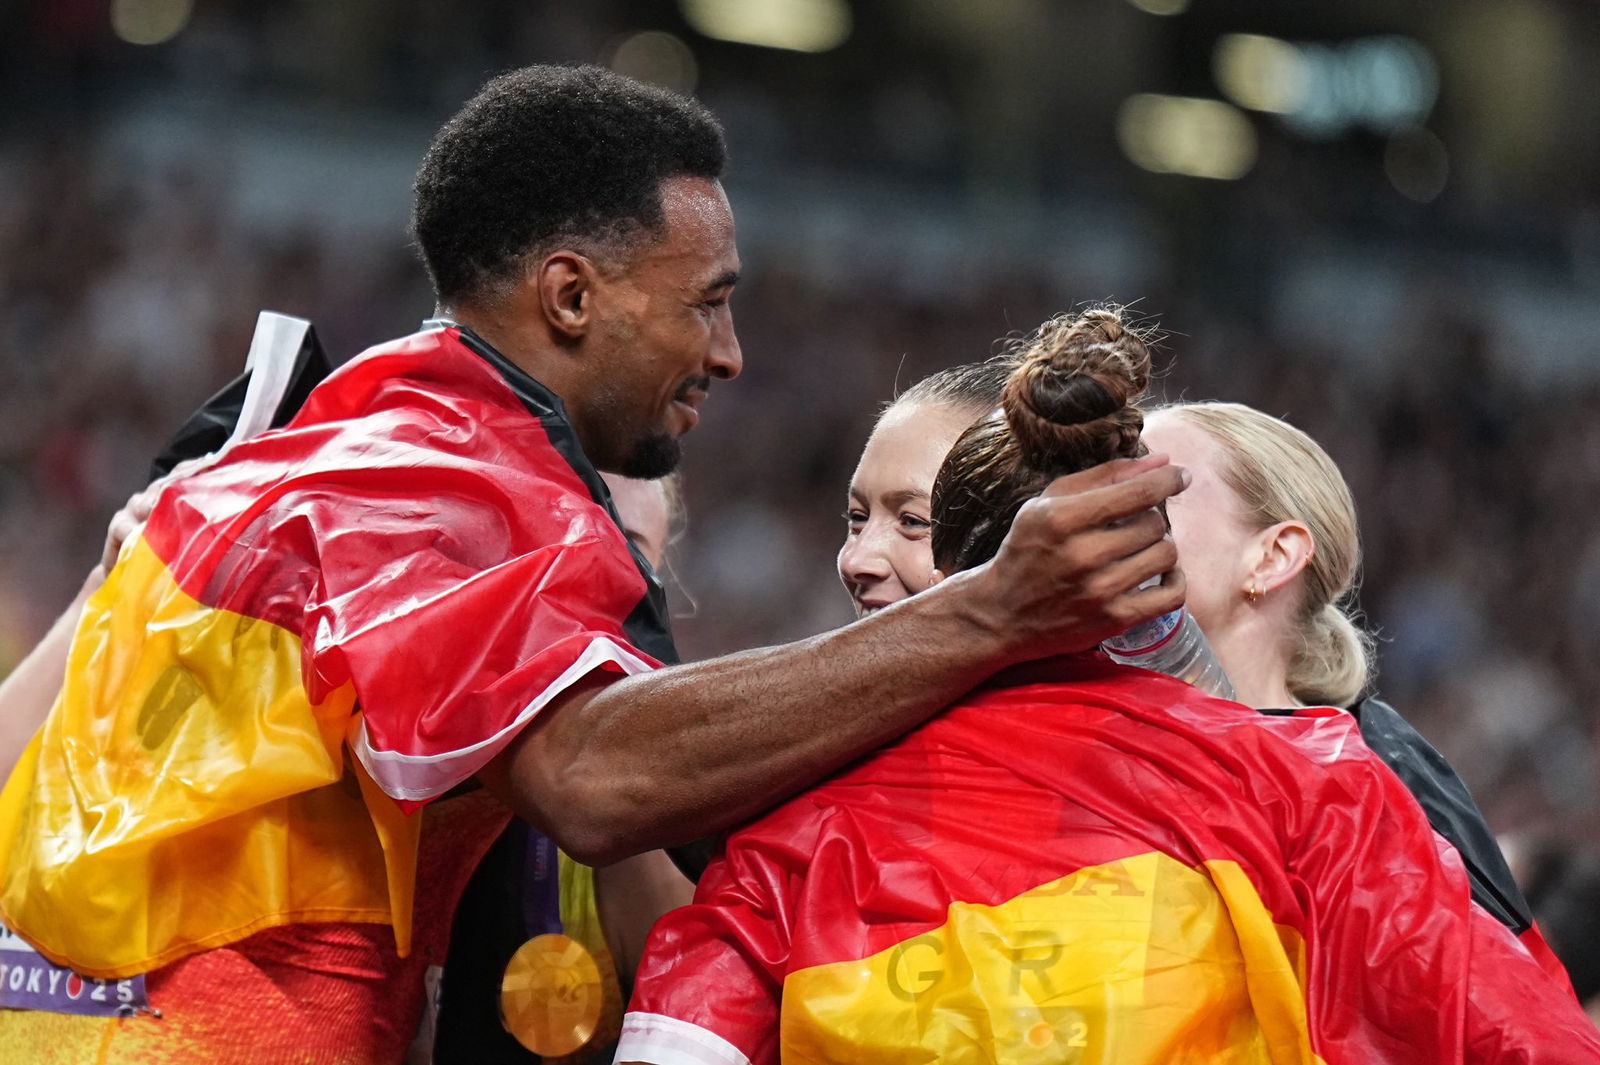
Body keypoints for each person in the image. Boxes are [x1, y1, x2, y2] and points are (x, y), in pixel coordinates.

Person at [0, 67, 1187, 1062]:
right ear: (569, 295)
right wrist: (992, 613)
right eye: (706, 305)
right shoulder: (439, 479)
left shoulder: (352, 442)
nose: (728, 355)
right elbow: (591, 782)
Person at [620, 308, 1600, 1064]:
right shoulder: (1322, 791)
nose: (865, 560)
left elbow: (681, 1031)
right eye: (855, 519)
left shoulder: (794, 829)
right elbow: (1516, 1033)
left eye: (1156, 490)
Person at [837, 346, 1551, 961]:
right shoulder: (1069, 746)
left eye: (1157, 491)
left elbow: (1500, 1005)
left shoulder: (1375, 764)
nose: (1107, 515)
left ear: (1273, 556)